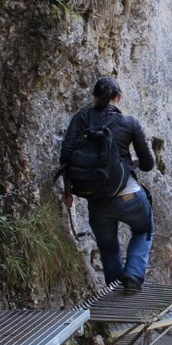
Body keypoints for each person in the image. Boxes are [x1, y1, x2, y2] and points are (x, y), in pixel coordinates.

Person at [60, 77, 155, 294]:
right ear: (118, 97)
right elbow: (148, 165)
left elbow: (65, 156)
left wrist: (68, 190)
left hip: (96, 198)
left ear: (94, 97)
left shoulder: (81, 118)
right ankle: (133, 276)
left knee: (109, 248)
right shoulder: (129, 123)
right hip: (127, 194)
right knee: (144, 227)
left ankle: (114, 290)